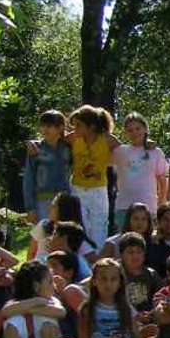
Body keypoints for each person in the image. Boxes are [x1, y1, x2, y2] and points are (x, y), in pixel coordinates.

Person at [67, 104, 116, 247]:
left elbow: (128, 149)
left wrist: (146, 143)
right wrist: (33, 143)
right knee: (80, 225)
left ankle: (98, 256)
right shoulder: (73, 138)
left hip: (98, 189)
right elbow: (51, 140)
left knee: (99, 226)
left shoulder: (106, 139)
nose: (75, 129)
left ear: (92, 126)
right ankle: (83, 256)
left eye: (78, 125)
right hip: (77, 188)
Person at [112, 112, 168, 227]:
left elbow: (162, 179)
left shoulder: (155, 152)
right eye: (130, 130)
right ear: (125, 133)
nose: (134, 133)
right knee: (124, 237)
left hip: (148, 206)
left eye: (138, 129)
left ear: (145, 129)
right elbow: (105, 137)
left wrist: (162, 202)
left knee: (147, 237)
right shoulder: (120, 151)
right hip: (124, 207)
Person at [22, 110, 72, 222]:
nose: (45, 129)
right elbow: (28, 180)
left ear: (60, 128)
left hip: (64, 201)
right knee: (43, 232)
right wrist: (30, 208)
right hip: (42, 201)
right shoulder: (36, 149)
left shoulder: (68, 148)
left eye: (49, 126)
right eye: (42, 126)